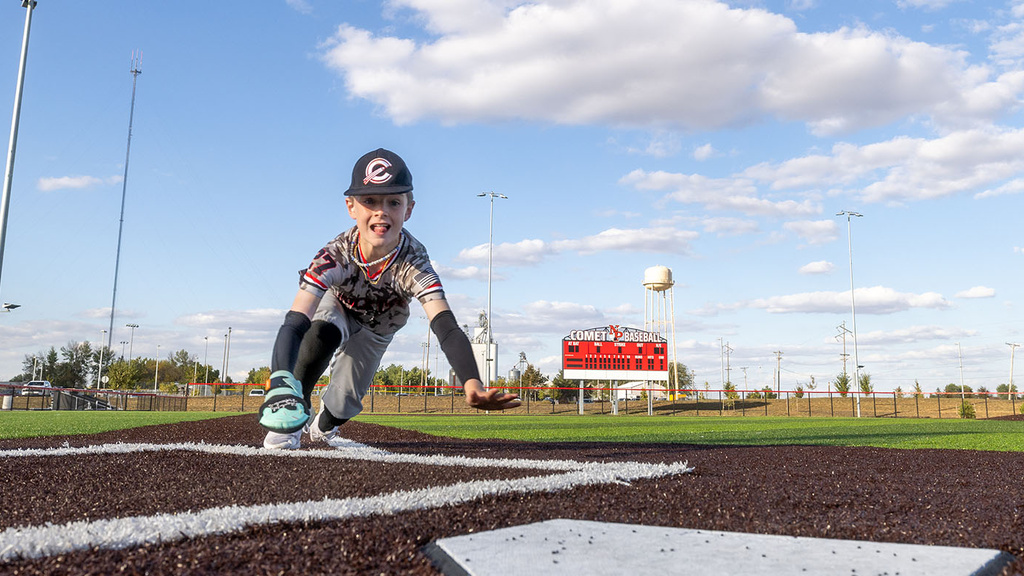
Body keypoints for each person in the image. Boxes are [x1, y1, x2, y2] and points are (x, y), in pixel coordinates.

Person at [259, 148, 520, 449]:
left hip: (379, 325)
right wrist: (280, 378)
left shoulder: (414, 262)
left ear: (408, 209)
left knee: (344, 401)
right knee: (321, 331)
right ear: (351, 207)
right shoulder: (334, 255)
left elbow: (444, 325)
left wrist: (472, 382)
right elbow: (296, 321)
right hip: (340, 304)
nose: (381, 211)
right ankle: (293, 416)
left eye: (393, 202)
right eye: (369, 201)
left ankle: (324, 424)